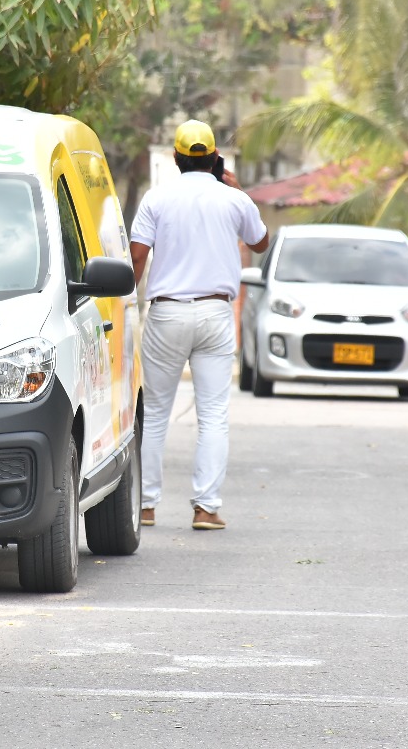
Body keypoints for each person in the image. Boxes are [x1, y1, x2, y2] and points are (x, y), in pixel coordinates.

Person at [129, 119, 269, 531]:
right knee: (213, 416)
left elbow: (138, 257)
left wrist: (120, 304)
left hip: (167, 311)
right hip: (214, 313)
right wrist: (237, 189)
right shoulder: (233, 200)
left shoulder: (156, 199)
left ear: (175, 158)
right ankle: (206, 508)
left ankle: (145, 506)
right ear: (213, 158)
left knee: (154, 414)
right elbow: (260, 242)